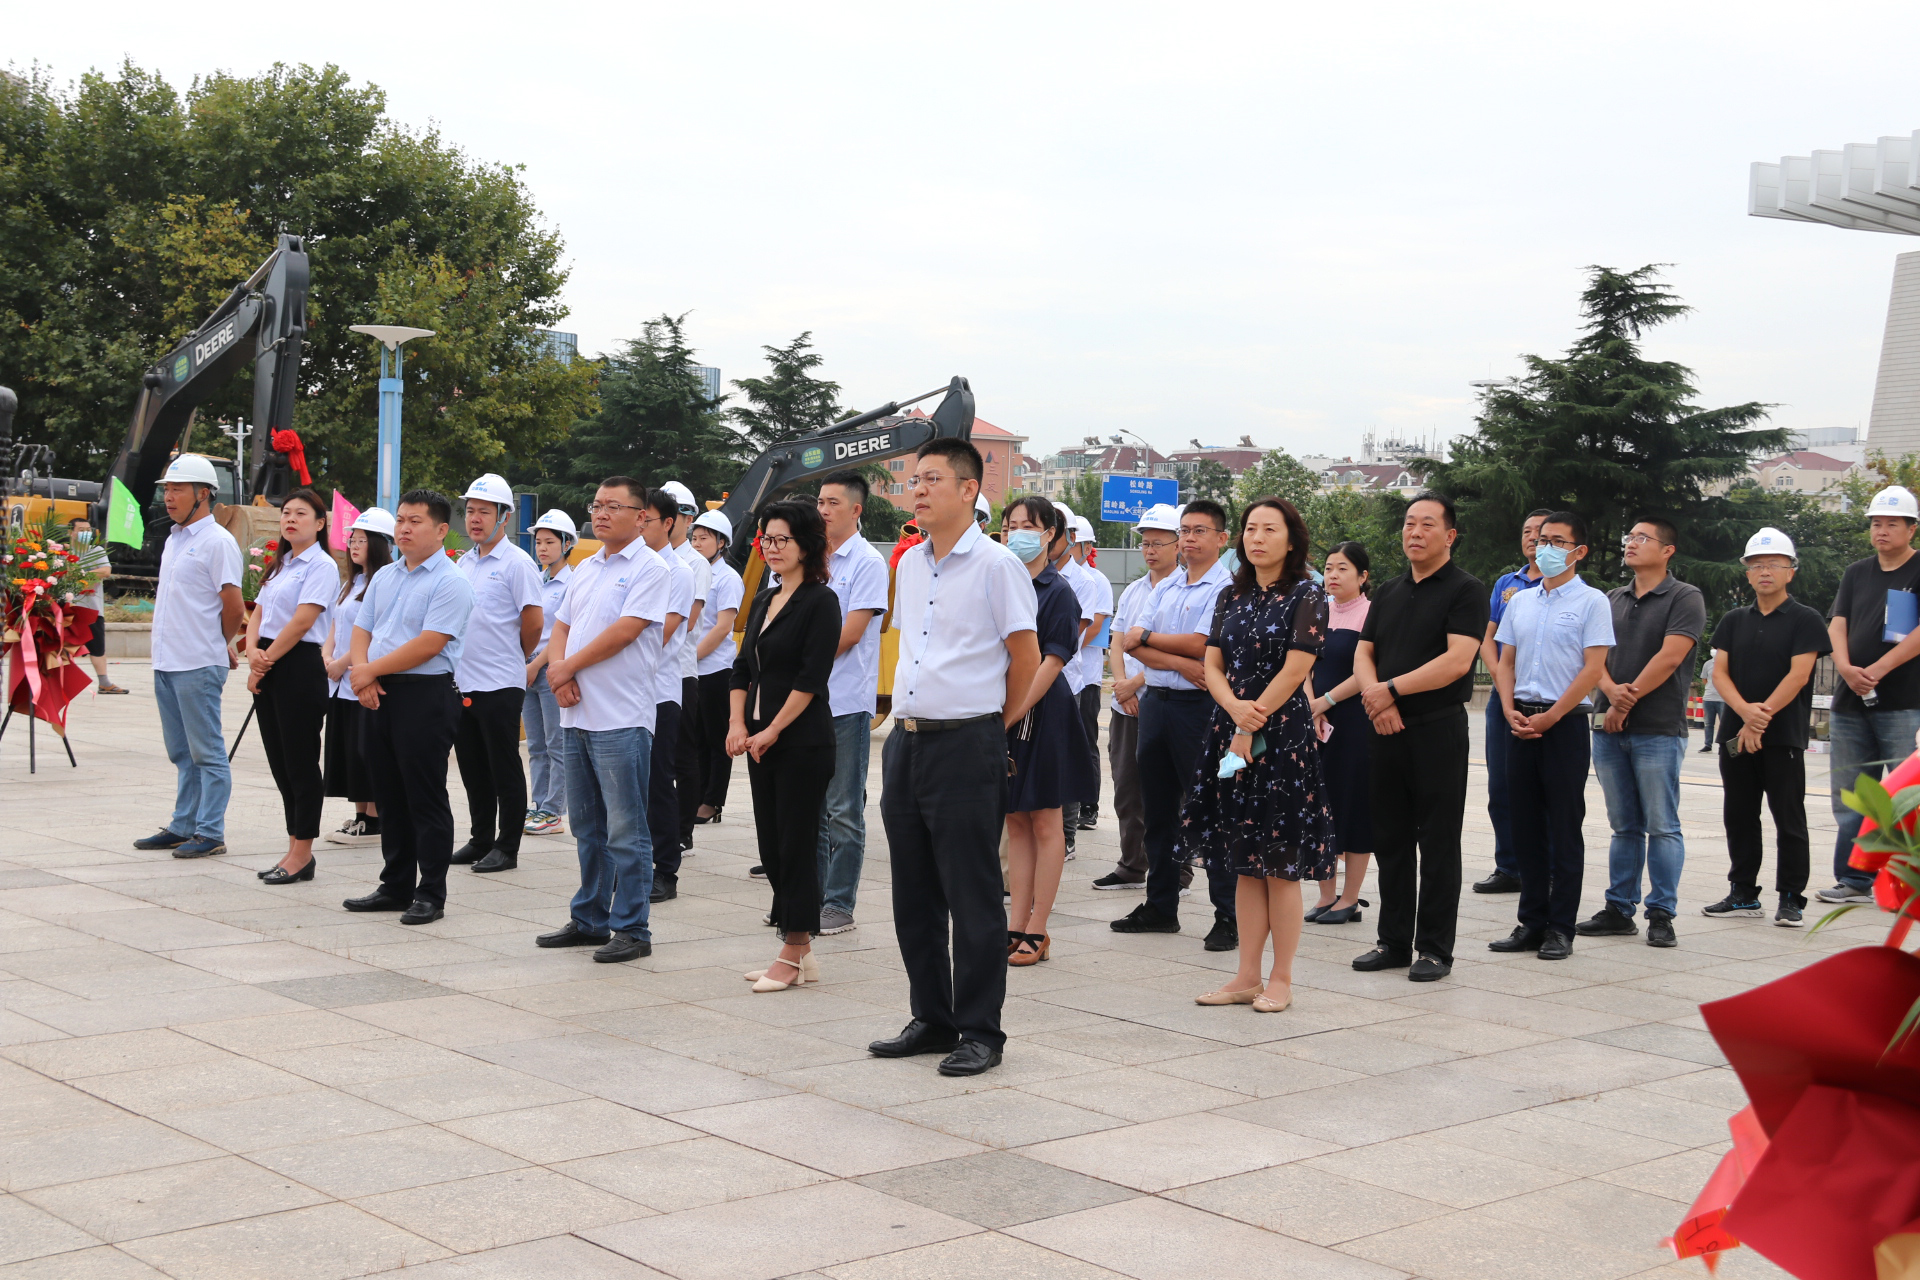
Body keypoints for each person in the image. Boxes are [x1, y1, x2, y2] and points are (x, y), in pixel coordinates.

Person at [869, 437, 1039, 1078]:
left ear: (969, 490)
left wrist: (994, 725)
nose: (918, 489)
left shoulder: (998, 566)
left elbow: (1025, 657)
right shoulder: (911, 564)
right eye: (915, 479)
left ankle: (980, 1030)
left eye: (932, 478)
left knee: (972, 895)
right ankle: (932, 1018)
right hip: (907, 741)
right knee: (913, 894)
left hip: (968, 741)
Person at [1180, 498, 1336, 1011]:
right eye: (1251, 528)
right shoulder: (1231, 594)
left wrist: (1253, 720)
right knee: (1244, 860)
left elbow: (1296, 668)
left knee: (1279, 863)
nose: (1258, 537)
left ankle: (1281, 978)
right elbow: (1213, 663)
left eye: (1270, 529)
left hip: (1282, 736)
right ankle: (1246, 975)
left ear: (1291, 541)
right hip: (1230, 730)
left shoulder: (1308, 594)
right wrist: (1233, 711)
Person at [1351, 493, 1486, 979]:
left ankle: (1434, 949)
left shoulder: (1466, 590)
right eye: (1410, 523)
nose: (1415, 532)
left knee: (1438, 841)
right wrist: (1377, 698)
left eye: (1427, 524)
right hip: (1384, 728)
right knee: (1390, 839)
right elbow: (1364, 653)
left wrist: (1389, 691)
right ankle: (1392, 942)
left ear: (1450, 536)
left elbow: (1457, 662)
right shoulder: (1389, 590)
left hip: (1436, 728)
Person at [535, 477, 670, 963]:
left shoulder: (651, 568)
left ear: (641, 516)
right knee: (587, 827)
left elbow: (627, 631)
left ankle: (633, 928)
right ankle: (590, 918)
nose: (602, 513)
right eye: (597, 505)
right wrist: (559, 672)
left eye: (615, 506)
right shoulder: (587, 567)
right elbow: (562, 626)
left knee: (626, 830)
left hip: (621, 716)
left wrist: (567, 667)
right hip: (577, 713)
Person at [1112, 499, 1240, 951]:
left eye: (1199, 531)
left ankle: (1229, 915)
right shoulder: (1167, 585)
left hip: (1200, 709)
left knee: (1210, 809)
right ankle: (1161, 906)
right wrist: (1178, 661)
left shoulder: (1224, 587)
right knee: (1158, 809)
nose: (1188, 539)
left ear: (1222, 539)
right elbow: (1132, 643)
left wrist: (1152, 641)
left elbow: (1203, 644)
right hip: (1157, 705)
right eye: (1184, 531)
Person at [344, 490, 474, 925]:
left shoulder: (451, 581)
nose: (404, 528)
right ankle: (395, 885)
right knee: (388, 794)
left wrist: (368, 671)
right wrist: (364, 674)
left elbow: (429, 644)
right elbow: (362, 629)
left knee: (424, 796)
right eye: (400, 519)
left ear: (440, 530)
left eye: (415, 521)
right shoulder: (386, 576)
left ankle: (430, 893)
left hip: (425, 694)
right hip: (378, 690)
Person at [1489, 511, 1613, 962]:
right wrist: (1508, 707)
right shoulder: (1520, 601)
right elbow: (1505, 661)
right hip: (1520, 720)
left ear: (1579, 551)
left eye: (1558, 541)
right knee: (1523, 826)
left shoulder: (1592, 602)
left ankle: (1561, 927)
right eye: (1543, 539)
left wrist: (1553, 716)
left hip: (1565, 724)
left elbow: (1593, 669)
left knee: (1563, 827)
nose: (1546, 548)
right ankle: (1531, 921)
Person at [728, 501, 841, 990]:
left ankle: (792, 951)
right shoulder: (763, 599)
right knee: (772, 848)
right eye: (766, 540)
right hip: (759, 742)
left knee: (795, 846)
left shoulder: (821, 601)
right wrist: (737, 723)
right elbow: (741, 669)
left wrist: (772, 729)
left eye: (782, 540)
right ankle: (803, 954)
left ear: (807, 545)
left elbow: (811, 678)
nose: (771, 548)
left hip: (800, 742)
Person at [1581, 518, 1705, 947]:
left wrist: (1623, 702)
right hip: (1607, 727)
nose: (1631, 543)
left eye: (1642, 538)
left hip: (1658, 728)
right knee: (1623, 825)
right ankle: (1619, 908)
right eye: (1629, 537)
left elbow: (1670, 658)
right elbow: (1593, 657)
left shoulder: (1685, 597)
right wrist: (1610, 692)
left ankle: (1661, 913)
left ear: (1667, 550)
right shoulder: (1611, 599)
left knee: (1662, 824)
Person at [1706, 529, 1830, 927]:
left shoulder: (1806, 619)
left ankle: (1791, 897)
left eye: (1774, 564)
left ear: (1790, 571)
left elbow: (1799, 675)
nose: (1765, 571)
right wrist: (1745, 714)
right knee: (1739, 814)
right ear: (1747, 573)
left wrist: (1761, 718)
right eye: (1757, 565)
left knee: (1788, 817)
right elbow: (1720, 674)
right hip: (1736, 734)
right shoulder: (1733, 620)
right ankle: (1742, 891)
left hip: (1783, 735)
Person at [1001, 496, 1098, 966]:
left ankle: (1038, 928)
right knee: (1015, 820)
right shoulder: (1000, 581)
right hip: (1003, 708)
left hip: (1041, 711)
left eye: (1028, 526)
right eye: (1010, 526)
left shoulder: (1058, 591)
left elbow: (1052, 660)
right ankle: (1015, 923)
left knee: (1044, 820)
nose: (1016, 534)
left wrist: (1013, 712)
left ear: (1050, 535)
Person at [135, 454, 244, 860]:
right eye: (166, 489)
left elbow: (233, 606)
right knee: (182, 752)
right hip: (167, 661)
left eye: (177, 489)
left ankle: (210, 831)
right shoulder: (174, 539)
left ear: (203, 494)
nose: (169, 497)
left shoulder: (217, 542)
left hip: (197, 663)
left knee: (207, 753)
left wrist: (217, 643)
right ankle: (183, 825)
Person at [1819, 484, 1920, 905]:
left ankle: (1905, 881)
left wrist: (1879, 669)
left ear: (1911, 529)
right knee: (1854, 794)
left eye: (1892, 523)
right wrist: (1845, 667)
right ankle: (1854, 879)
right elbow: (1837, 622)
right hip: (1851, 700)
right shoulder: (1857, 572)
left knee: (1906, 795)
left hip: (1903, 702)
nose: (1882, 530)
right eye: (1876, 523)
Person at [449, 474, 544, 875]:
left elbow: (533, 623)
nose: (474, 518)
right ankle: (481, 838)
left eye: (484, 512)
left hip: (501, 682)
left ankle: (507, 846)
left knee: (503, 766)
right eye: (470, 510)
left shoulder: (518, 563)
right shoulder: (464, 562)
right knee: (473, 767)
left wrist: (512, 656)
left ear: (504, 517)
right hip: (463, 682)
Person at [243, 489, 338, 884]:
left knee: (300, 762)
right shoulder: (281, 563)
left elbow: (302, 622)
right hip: (270, 660)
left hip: (298, 665)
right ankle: (293, 847)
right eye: (286, 513)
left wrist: (264, 660)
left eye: (301, 513)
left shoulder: (322, 566)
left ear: (319, 523)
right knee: (280, 762)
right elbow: (259, 612)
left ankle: (303, 852)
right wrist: (251, 650)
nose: (290, 519)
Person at [812, 471, 890, 935]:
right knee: (811, 807)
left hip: (844, 701)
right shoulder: (810, 556)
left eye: (833, 503)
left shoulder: (867, 563)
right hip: (805, 699)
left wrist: (801, 662)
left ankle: (839, 903)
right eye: (820, 502)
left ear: (856, 510)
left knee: (843, 808)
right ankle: (809, 898)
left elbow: (851, 633)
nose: (823, 510)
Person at [1093, 504, 1185, 892]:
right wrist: (1121, 683)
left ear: (1178, 545)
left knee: (1170, 792)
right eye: (1145, 543)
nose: (1150, 550)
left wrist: (1136, 682)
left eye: (1158, 543)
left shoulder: (1186, 590)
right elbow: (1117, 641)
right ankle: (1132, 864)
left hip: (1168, 701)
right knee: (1127, 787)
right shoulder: (1133, 590)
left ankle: (1178, 871)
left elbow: (1186, 652)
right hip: (1126, 705)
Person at [1473, 509, 1548, 894]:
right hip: (1504, 695)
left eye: (1540, 531)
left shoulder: (1566, 586)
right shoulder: (1508, 583)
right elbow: (1487, 636)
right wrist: (1501, 678)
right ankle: (1509, 866)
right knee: (1501, 785)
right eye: (1526, 531)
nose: (1532, 537)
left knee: (1543, 786)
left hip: (1545, 698)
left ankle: (1546, 866)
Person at [1306, 541, 1373, 924]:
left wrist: (1326, 701)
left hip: (1355, 721)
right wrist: (1311, 706)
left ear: (1363, 576)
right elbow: (1303, 665)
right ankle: (1326, 895)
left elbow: (1368, 671)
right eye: (1329, 567)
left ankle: (1350, 899)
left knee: (1355, 806)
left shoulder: (1371, 614)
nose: (1332, 574)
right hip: (1316, 721)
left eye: (1343, 568)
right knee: (1320, 805)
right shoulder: (1317, 612)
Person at [322, 508, 394, 850]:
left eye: (362, 540)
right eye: (352, 539)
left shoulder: (385, 582)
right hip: (339, 683)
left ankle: (376, 818)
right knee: (349, 752)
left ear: (380, 544)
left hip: (360, 677)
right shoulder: (351, 583)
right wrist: (327, 656)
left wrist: (342, 663)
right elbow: (335, 625)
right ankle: (361, 815)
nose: (353, 545)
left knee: (367, 752)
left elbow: (374, 632)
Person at [639, 489, 693, 902]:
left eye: (647, 519)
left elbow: (661, 633)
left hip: (659, 694)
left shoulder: (679, 572)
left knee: (658, 783)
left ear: (668, 523)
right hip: (623, 693)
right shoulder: (631, 565)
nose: (639, 525)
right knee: (628, 788)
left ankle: (665, 871)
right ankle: (633, 865)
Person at [660, 481, 712, 857]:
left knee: (682, 755)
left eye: (672, 514)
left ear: (687, 518)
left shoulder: (695, 563)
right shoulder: (650, 557)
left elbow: (687, 622)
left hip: (679, 672)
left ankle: (683, 831)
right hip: (648, 672)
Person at [521, 509, 578, 837]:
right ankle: (539, 803)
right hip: (528, 668)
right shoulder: (536, 579)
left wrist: (535, 664)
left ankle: (554, 810)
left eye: (549, 542)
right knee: (536, 745)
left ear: (567, 544)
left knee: (556, 743)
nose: (541, 548)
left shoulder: (572, 582)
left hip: (549, 669)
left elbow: (561, 633)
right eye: (538, 542)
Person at [1047, 503, 1097, 856]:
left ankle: (1066, 835)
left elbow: (1073, 635)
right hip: (1028, 678)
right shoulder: (1024, 573)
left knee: (1063, 760)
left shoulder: (1083, 581)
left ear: (1069, 537)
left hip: (1066, 682)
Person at [689, 510, 743, 826]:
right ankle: (697, 796)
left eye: (704, 538)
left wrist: (691, 656)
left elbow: (723, 627)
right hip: (692, 670)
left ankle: (712, 801)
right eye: (694, 538)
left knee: (717, 739)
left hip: (716, 670)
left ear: (721, 543)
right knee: (695, 738)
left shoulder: (728, 578)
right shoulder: (693, 573)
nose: (697, 543)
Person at [1068, 517, 1114, 832]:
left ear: (1086, 547)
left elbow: (1095, 626)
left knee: (1085, 741)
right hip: (1057, 673)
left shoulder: (1097, 581)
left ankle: (1088, 806)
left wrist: (1060, 648)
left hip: (1085, 677)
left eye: (1076, 544)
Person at [66, 519, 126, 694]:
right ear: (71, 532)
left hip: (91, 610)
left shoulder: (96, 551)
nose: (86, 533)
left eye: (88, 530)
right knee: (62, 648)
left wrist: (79, 574)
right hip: (66, 608)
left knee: (97, 648)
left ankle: (104, 683)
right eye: (81, 530)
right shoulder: (62, 553)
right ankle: (60, 682)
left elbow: (105, 571)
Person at [1699, 652, 1725, 750]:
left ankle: (1722, 745)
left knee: (1724, 724)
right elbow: (1704, 679)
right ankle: (1708, 744)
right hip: (1709, 698)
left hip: (1723, 699)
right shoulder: (1708, 664)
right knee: (1708, 723)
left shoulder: (1727, 663)